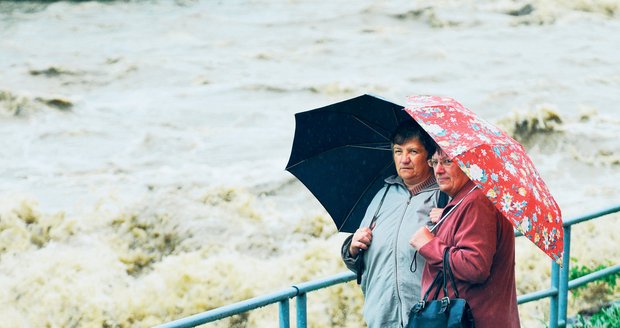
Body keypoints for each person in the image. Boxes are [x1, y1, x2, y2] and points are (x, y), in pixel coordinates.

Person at [341, 120, 446, 328]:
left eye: (413, 151)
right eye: (398, 151)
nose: (404, 159)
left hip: (427, 318)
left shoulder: (443, 197)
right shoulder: (383, 195)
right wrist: (352, 248)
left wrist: (450, 218)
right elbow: (360, 261)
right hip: (381, 317)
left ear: (429, 157)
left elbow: (460, 258)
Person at [410, 148, 521, 328]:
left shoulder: (477, 202)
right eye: (435, 162)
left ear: (469, 165)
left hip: (474, 320)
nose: (438, 170)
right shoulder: (467, 199)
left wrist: (429, 245)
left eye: (448, 161)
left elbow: (475, 266)